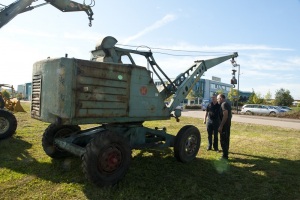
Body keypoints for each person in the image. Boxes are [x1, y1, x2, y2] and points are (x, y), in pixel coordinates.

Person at [217, 94, 232, 160]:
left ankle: (225, 156)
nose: (217, 100)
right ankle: (225, 154)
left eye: (218, 99)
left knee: (223, 140)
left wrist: (221, 126)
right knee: (226, 139)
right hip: (227, 125)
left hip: (224, 126)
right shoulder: (227, 104)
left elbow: (225, 115)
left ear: (221, 98)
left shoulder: (223, 104)